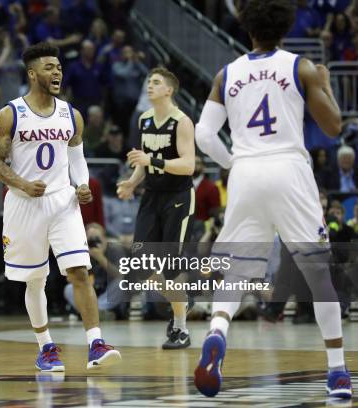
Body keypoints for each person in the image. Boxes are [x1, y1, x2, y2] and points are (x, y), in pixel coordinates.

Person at [192, 0, 351, 399]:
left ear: (246, 28)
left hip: (246, 172)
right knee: (318, 275)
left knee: (236, 271)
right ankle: (337, 372)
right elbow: (333, 127)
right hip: (289, 170)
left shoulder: (226, 73)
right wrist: (327, 86)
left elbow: (204, 135)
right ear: (286, 26)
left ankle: (217, 332)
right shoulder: (301, 67)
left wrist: (235, 162)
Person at [0, 42, 121, 372]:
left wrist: (83, 184)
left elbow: (77, 157)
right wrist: (21, 183)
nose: (57, 71)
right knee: (35, 280)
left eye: (59, 67)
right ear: (32, 74)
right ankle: (45, 346)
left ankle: (95, 343)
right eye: (49, 67)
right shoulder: (9, 115)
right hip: (24, 204)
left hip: (63, 202)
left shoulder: (70, 114)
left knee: (80, 271)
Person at [116, 67, 196, 349]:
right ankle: (181, 303)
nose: (149, 86)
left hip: (178, 197)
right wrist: (132, 182)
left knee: (171, 267)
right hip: (151, 196)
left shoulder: (182, 122)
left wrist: (152, 162)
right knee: (142, 263)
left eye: (156, 82)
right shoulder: (145, 119)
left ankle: (181, 329)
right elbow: (143, 161)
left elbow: (188, 165)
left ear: (169, 90)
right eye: (148, 81)